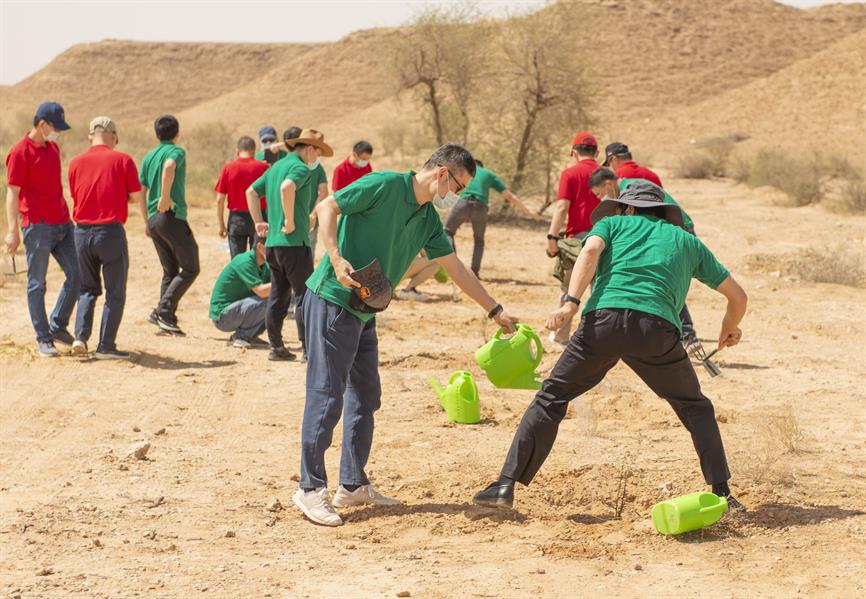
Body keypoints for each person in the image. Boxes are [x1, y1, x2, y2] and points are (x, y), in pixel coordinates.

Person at [473, 182, 748, 512]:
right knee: (695, 406)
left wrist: (570, 304)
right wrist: (728, 328)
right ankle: (721, 494)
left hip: (601, 324)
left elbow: (589, 252)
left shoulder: (612, 223)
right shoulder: (687, 240)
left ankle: (505, 486)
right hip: (656, 330)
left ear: (628, 208)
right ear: (663, 213)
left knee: (551, 398)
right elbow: (738, 296)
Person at [293, 144, 517, 527]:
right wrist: (334, 256)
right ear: (443, 173)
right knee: (327, 396)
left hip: (366, 310)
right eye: (460, 187)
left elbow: (456, 268)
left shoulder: (427, 220)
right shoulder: (384, 184)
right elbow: (327, 207)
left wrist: (494, 309)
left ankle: (352, 484)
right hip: (332, 300)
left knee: (366, 396)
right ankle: (310, 489)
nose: (457, 197)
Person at [588, 167, 703, 354]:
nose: (601, 199)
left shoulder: (634, 188)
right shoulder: (631, 189)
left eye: (600, 194)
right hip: (669, 231)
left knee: (664, 281)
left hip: (678, 230)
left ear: (608, 184)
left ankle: (688, 335)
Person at [246, 128, 331, 361]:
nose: (317, 158)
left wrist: (258, 222)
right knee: (305, 296)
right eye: (317, 153)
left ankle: (277, 347)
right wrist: (291, 221)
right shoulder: (300, 168)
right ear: (310, 149)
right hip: (294, 243)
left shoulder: (274, 168)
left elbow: (251, 192)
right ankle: (307, 349)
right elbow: (287, 188)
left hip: (273, 244)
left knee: (278, 295)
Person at [4, 101, 79, 357]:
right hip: (37, 226)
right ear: (42, 124)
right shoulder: (18, 153)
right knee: (37, 283)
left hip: (63, 223)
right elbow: (12, 193)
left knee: (77, 275)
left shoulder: (54, 148)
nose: (58, 131)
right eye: (55, 127)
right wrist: (12, 230)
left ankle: (58, 325)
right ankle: (43, 337)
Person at [67, 116, 143, 359]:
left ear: (91, 135)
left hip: (80, 232)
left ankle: (79, 337)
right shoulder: (123, 159)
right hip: (109, 232)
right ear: (112, 135)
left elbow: (75, 195)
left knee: (87, 289)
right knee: (115, 291)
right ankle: (106, 346)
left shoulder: (75, 162)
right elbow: (135, 196)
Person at [140, 114, 199, 336]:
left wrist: (146, 221)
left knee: (170, 270)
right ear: (177, 133)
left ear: (157, 133)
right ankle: (163, 311)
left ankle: (167, 318)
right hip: (170, 216)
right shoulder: (177, 151)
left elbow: (142, 192)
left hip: (155, 219)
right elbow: (170, 165)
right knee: (192, 266)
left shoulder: (148, 157)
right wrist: (165, 198)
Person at [546, 132, 601, 345]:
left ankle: (561, 335)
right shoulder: (607, 174)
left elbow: (562, 207)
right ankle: (597, 337)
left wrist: (552, 236)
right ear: (596, 153)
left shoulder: (570, 173)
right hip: (605, 238)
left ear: (573, 152)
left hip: (577, 241)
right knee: (600, 290)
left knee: (570, 288)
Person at [443, 159, 530, 279]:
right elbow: (509, 196)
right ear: (482, 166)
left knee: (447, 231)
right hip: (480, 208)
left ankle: (453, 268)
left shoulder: (464, 172)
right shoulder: (489, 174)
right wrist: (528, 212)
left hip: (462, 204)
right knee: (479, 241)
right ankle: (474, 273)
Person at [209, 237, 271, 348]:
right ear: (260, 247)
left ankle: (250, 335)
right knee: (270, 299)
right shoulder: (245, 261)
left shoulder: (266, 265)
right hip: (223, 317)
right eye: (274, 248)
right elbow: (262, 291)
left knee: (280, 299)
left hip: (238, 311)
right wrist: (286, 281)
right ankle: (241, 336)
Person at [215, 136, 269, 258]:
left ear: (237, 151)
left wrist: (221, 224)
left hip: (236, 219)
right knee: (258, 259)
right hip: (259, 217)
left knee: (237, 261)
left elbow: (220, 199)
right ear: (254, 150)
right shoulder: (264, 168)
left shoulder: (228, 168)